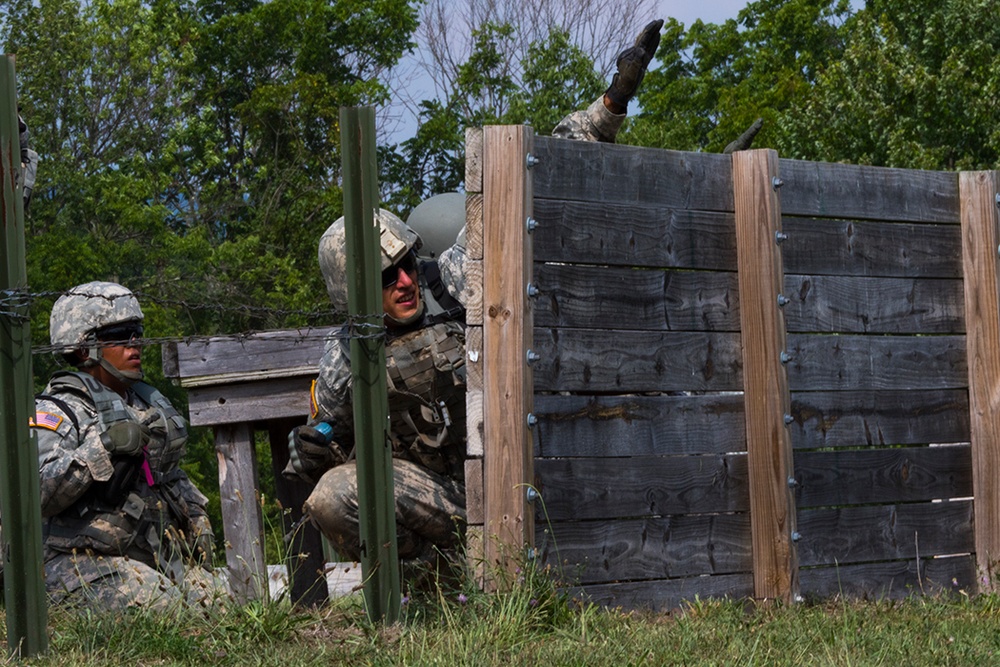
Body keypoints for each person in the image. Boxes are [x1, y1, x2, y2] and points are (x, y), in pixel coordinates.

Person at [285, 20, 669, 579]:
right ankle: (443, 589)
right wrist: (312, 450)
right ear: (356, 298)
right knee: (330, 496)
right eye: (386, 278)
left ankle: (526, 571)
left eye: (406, 264)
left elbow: (529, 173)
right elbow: (308, 460)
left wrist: (612, 101)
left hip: (515, 476)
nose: (405, 281)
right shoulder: (348, 354)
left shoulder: (454, 277)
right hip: (439, 501)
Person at [33, 281, 228, 610]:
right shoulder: (57, 411)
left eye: (137, 332)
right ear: (85, 348)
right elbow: (34, 494)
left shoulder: (143, 405)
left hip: (150, 555)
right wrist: (104, 445)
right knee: (164, 609)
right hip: (72, 561)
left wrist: (195, 520)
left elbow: (166, 476)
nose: (135, 344)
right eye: (121, 334)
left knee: (224, 607)